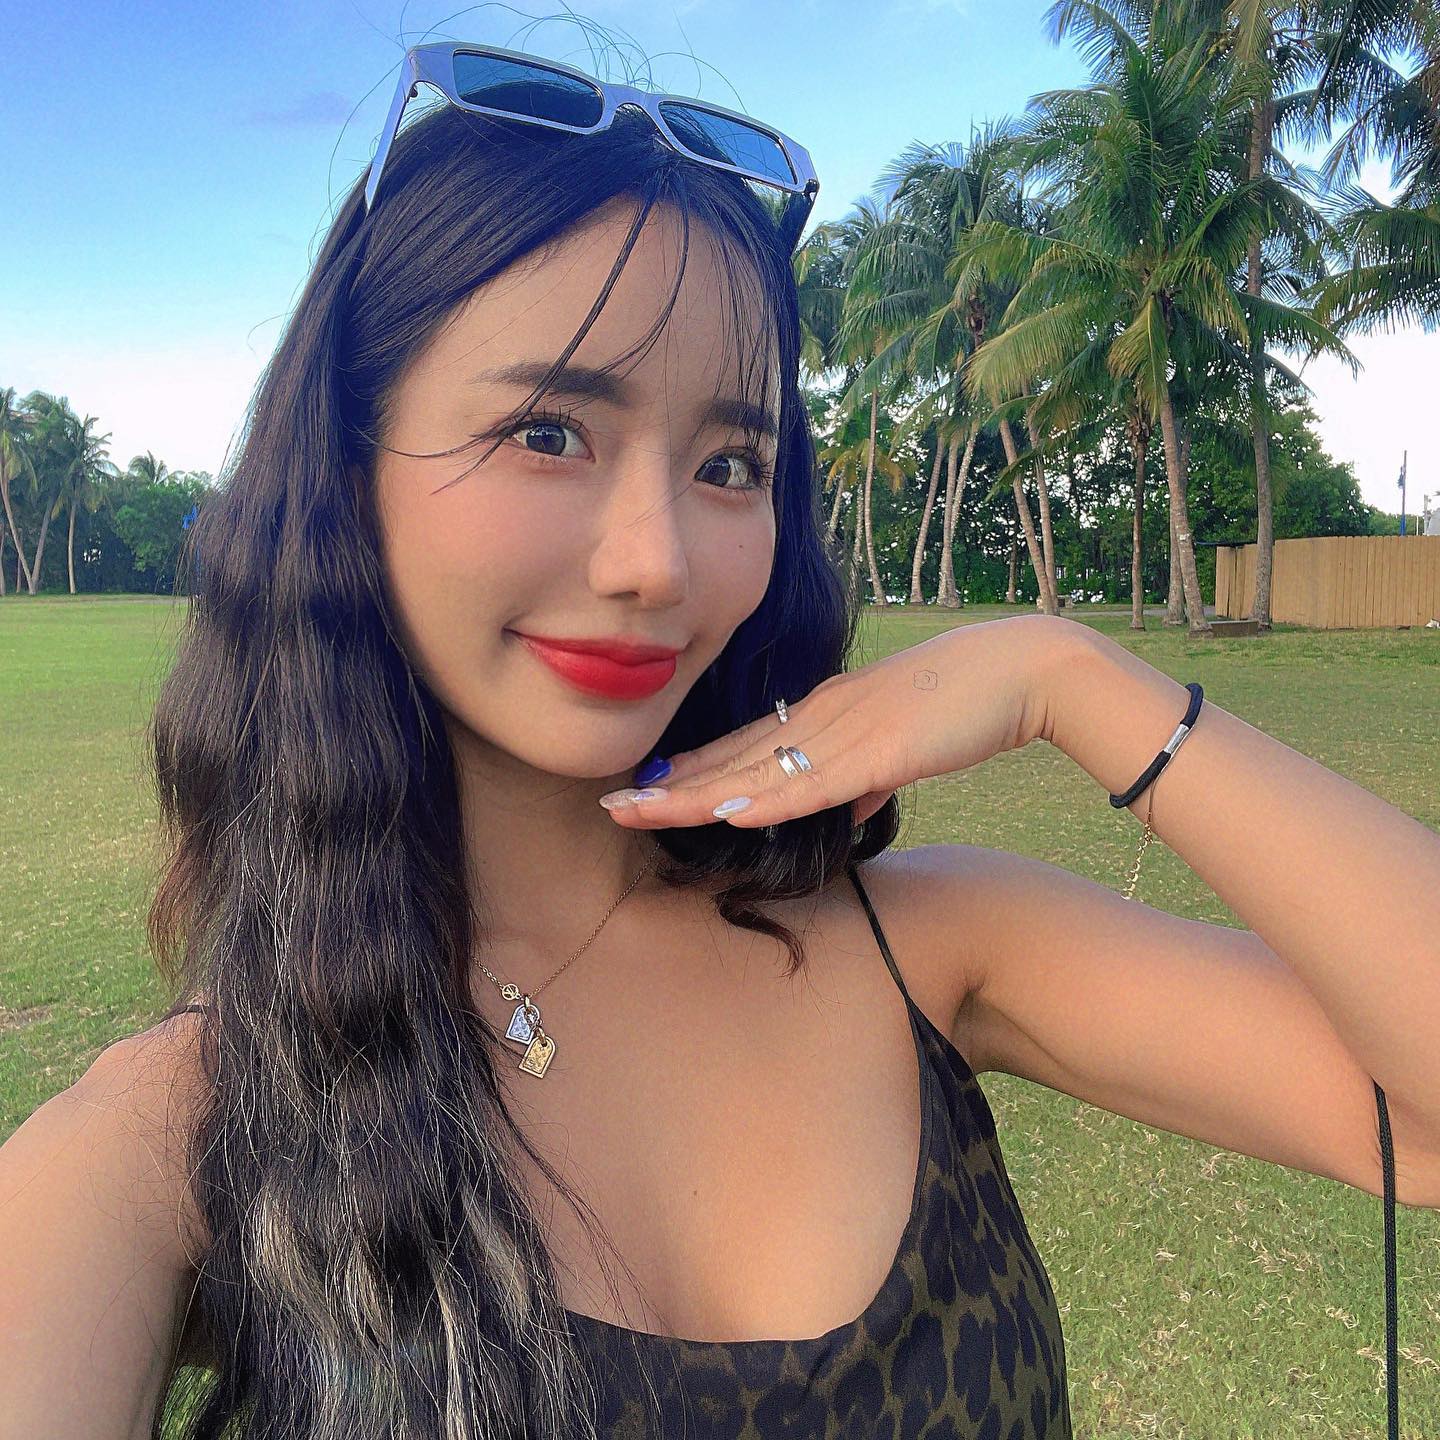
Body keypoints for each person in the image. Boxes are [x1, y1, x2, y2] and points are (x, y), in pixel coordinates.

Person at [7, 35, 1432, 1440]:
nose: (658, 562)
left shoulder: (927, 950)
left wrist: (1072, 678)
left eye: (731, 463)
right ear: (347, 463)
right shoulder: (177, 1137)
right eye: (550, 433)